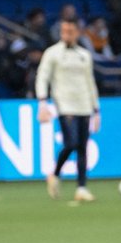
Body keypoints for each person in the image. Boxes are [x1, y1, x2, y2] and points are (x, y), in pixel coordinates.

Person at [36, 19, 100, 203]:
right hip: (64, 105)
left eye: (70, 31)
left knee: (82, 147)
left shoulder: (84, 55)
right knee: (71, 143)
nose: (67, 34)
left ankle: (81, 188)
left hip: (84, 105)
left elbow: (90, 83)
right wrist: (42, 102)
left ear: (77, 32)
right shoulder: (52, 53)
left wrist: (97, 110)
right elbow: (42, 77)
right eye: (64, 31)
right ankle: (55, 174)